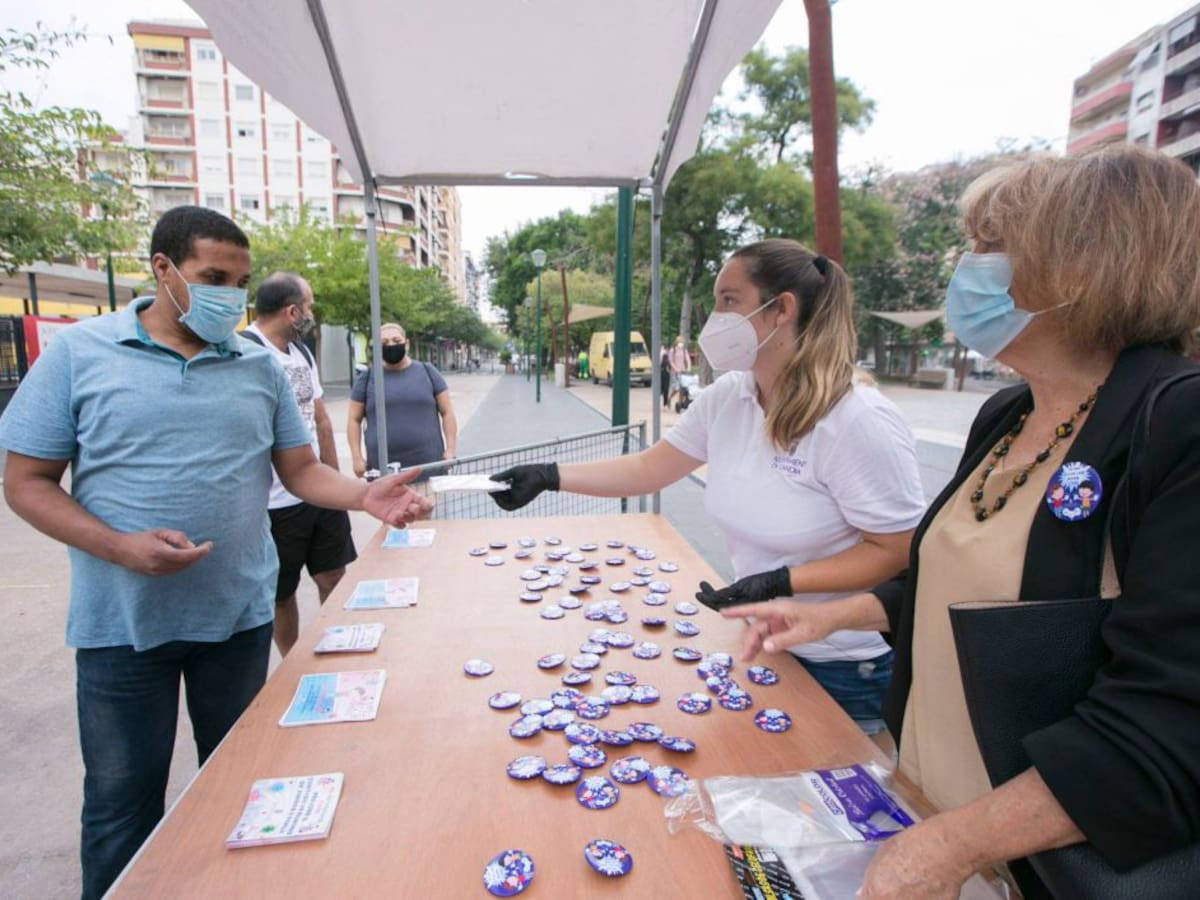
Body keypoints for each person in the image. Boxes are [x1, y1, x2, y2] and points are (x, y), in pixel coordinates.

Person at [723, 147, 1200, 898]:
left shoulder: (1177, 424)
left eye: (988, 247)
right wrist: (829, 615)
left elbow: (1171, 721)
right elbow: (971, 586)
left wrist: (951, 847)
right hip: (932, 818)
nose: (967, 269)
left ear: (1079, 268)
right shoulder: (1009, 413)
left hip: (1035, 862)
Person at [0, 206, 432, 900]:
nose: (229, 294)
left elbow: (300, 471)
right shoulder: (80, 355)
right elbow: (25, 483)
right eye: (212, 277)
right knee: (120, 807)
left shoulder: (257, 365)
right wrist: (118, 545)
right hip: (121, 629)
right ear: (162, 269)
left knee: (234, 789)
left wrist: (365, 495)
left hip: (235, 619)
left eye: (240, 280)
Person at [490, 239, 925, 742]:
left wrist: (781, 581)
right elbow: (649, 468)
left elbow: (895, 552)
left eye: (729, 301)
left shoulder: (856, 421)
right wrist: (549, 475)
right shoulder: (730, 397)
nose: (714, 318)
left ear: (781, 309)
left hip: (844, 665)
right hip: (761, 642)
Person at [243, 272, 357, 656]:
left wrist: (335, 485)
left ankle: (335, 645)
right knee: (282, 592)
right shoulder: (245, 353)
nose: (312, 313)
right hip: (275, 502)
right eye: (309, 306)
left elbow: (320, 419)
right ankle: (292, 661)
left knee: (334, 575)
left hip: (319, 493)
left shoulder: (302, 352)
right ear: (292, 311)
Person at [347, 323, 457, 494]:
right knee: (390, 520)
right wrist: (356, 457)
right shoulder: (367, 378)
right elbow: (354, 420)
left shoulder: (428, 372)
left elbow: (447, 412)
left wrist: (450, 450)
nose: (390, 345)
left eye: (396, 340)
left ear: (407, 343)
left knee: (423, 519)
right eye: (384, 342)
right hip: (383, 472)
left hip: (426, 468)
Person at [666, 334, 691, 410]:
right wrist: (676, 368)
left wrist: (689, 367)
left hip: (683, 371)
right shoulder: (672, 350)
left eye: (682, 342)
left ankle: (679, 404)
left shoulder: (684, 350)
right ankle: (669, 398)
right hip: (675, 372)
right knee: (676, 388)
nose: (681, 343)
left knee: (682, 388)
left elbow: (688, 359)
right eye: (680, 342)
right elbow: (671, 361)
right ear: (676, 342)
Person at [659, 342, 671, 409]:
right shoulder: (661, 354)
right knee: (662, 389)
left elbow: (669, 363)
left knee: (665, 389)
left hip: (665, 372)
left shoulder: (666, 354)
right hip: (661, 372)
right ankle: (664, 403)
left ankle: (665, 403)